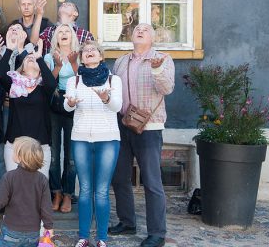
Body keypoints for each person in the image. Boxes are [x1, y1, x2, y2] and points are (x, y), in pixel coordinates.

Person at [109, 24, 175, 247]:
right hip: (122, 124)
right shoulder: (121, 61)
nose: (140, 31)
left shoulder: (163, 58)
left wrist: (157, 70)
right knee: (120, 177)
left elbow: (167, 89)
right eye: (137, 28)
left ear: (153, 38)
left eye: (145, 30)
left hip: (150, 127)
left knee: (151, 180)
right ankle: (127, 222)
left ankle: (157, 233)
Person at [64, 40, 123, 247]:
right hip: (80, 139)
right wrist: (70, 103)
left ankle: (102, 239)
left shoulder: (113, 79)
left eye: (93, 50)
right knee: (85, 189)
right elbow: (67, 106)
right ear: (81, 58)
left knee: (102, 190)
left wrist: (106, 99)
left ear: (101, 56)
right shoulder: (74, 81)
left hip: (107, 139)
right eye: (85, 51)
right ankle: (83, 237)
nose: (89, 52)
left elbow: (117, 107)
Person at [0, 40, 56, 178]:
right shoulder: (14, 86)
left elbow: (52, 84)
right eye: (27, 58)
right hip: (15, 145)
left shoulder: (44, 88)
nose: (30, 57)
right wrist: (9, 50)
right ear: (22, 68)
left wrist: (39, 58)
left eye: (33, 58)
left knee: (39, 185)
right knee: (14, 184)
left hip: (40, 145)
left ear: (41, 70)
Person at [0, 136, 54, 247]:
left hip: (11, 230)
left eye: (15, 151)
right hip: (33, 233)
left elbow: (1, 198)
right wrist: (49, 226)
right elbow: (46, 206)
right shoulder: (42, 180)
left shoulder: (9, 177)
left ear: (20, 157)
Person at [43, 23, 80, 213]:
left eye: (67, 32)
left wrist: (73, 64)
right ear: (55, 38)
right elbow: (47, 84)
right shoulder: (49, 57)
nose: (64, 34)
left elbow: (83, 80)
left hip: (75, 105)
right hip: (55, 104)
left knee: (71, 156)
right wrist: (57, 66)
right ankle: (56, 192)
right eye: (60, 32)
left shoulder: (79, 56)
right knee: (54, 154)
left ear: (72, 36)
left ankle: (68, 193)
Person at [0, 22, 29, 185]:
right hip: (2, 108)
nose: (14, 30)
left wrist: (19, 48)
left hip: (22, 111)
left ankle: (18, 193)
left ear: (25, 34)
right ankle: (1, 194)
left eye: (18, 29)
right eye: (11, 29)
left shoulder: (30, 53)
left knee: (21, 154)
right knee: (0, 155)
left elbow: (29, 74)